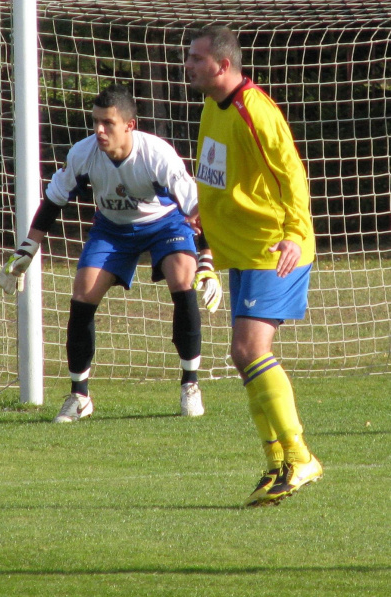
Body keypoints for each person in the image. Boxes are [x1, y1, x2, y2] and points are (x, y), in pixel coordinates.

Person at [0, 84, 222, 422]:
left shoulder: (157, 154)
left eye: (108, 123)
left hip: (165, 225)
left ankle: (190, 384)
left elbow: (196, 208)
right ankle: (79, 396)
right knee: (82, 293)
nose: (100, 130)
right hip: (112, 229)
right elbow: (53, 202)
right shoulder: (83, 154)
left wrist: (207, 259)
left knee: (182, 278)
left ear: (129, 125)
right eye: (96, 122)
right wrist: (27, 250)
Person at [185, 25, 323, 506]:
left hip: (274, 247)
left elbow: (292, 175)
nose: (190, 65)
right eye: (189, 57)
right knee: (243, 356)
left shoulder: (255, 111)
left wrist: (292, 232)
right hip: (242, 247)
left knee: (248, 347)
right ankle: (277, 463)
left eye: (197, 58)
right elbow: (214, 166)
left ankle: (300, 456)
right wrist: (204, 208)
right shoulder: (211, 106)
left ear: (223, 66)